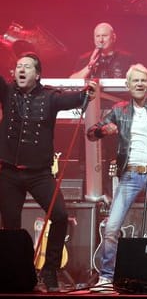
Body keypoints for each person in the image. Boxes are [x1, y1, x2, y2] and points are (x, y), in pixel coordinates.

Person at [0, 52, 97, 292]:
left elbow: (74, 99)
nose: (21, 70)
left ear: (38, 74)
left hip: (40, 173)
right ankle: (16, 274)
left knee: (61, 216)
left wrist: (88, 93)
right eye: (18, 66)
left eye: (27, 67)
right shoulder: (6, 92)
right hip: (9, 173)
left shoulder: (49, 97)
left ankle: (50, 269)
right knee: (10, 227)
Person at [86, 63, 147, 292]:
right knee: (111, 228)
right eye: (136, 80)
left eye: (144, 80)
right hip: (130, 175)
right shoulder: (119, 110)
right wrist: (104, 130)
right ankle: (106, 277)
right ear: (127, 85)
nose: (140, 84)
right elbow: (91, 133)